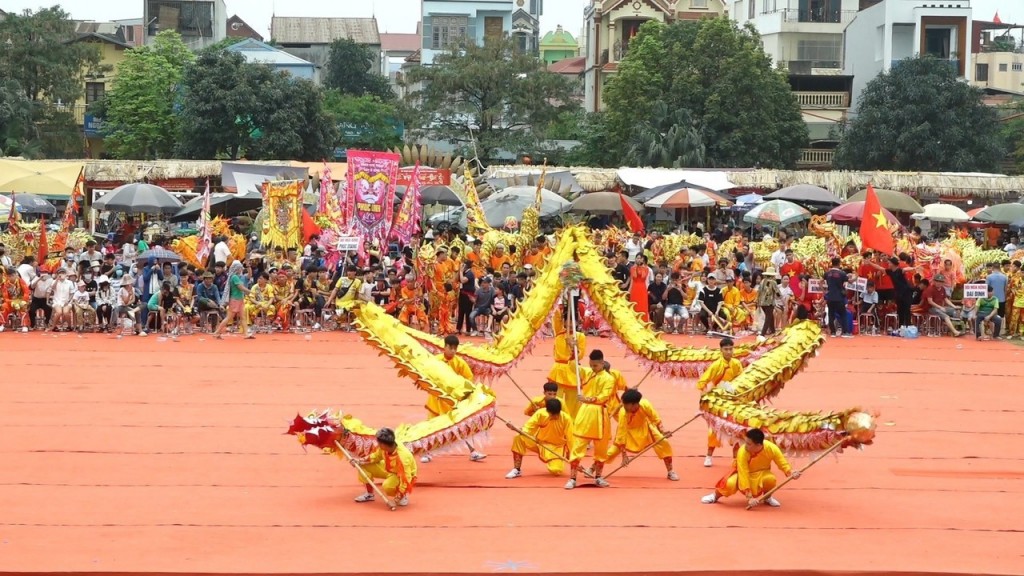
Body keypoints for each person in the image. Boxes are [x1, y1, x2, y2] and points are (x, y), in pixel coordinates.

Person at [421, 334, 487, 463]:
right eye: (450, 348)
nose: (452, 351)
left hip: (452, 402)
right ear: (444, 347)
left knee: (460, 426)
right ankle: (427, 453)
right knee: (430, 427)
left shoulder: (460, 363)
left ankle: (473, 452)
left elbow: (469, 379)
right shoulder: (436, 360)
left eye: (455, 348)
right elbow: (427, 374)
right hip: (436, 399)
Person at [701, 428, 799, 508]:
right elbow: (744, 473)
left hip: (762, 473)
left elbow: (782, 463)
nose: (745, 445)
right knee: (729, 484)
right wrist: (749, 497)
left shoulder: (771, 448)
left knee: (771, 479)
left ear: (759, 445)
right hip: (742, 475)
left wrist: (791, 473)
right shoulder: (742, 452)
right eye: (746, 442)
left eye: (749, 443)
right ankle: (715, 496)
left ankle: (767, 497)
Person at [598, 389, 678, 483]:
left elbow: (656, 418)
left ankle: (670, 471)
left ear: (634, 404)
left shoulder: (645, 404)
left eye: (626, 404)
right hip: (628, 432)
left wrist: (663, 431)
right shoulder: (623, 413)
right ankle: (594, 468)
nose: (623, 406)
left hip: (646, 428)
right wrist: (624, 455)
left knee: (664, 443)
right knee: (612, 451)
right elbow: (621, 433)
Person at [565, 349, 616, 490]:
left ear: (602, 363)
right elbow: (572, 367)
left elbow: (604, 397)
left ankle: (599, 477)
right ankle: (573, 478)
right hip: (585, 413)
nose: (593, 368)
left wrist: (586, 399)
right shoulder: (587, 372)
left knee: (601, 449)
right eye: (591, 365)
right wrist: (572, 351)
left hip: (600, 414)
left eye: (595, 366)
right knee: (578, 445)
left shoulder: (609, 379)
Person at [697, 337, 743, 467]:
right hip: (719, 402)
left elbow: (742, 379)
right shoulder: (716, 365)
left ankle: (737, 460)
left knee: (736, 430)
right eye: (726, 349)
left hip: (733, 401)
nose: (729, 352)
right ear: (721, 350)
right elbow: (702, 382)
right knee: (715, 430)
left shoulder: (737, 363)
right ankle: (708, 456)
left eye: (731, 349)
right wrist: (706, 398)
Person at [505, 397, 574, 479]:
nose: (555, 417)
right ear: (547, 411)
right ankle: (517, 469)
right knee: (519, 437)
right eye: (552, 414)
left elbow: (571, 439)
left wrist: (572, 457)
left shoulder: (566, 419)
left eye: (557, 414)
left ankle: (555, 461)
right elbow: (528, 429)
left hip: (556, 447)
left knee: (556, 470)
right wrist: (517, 429)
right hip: (539, 443)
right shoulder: (540, 414)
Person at [352, 428, 416, 507]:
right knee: (362, 465)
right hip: (389, 467)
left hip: (400, 474)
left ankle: (402, 496)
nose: (377, 444)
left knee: (387, 486)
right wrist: (359, 461)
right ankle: (369, 494)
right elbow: (376, 456)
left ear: (383, 444)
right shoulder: (385, 447)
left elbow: (406, 479)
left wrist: (396, 501)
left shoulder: (403, 457)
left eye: (378, 443)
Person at [548, 305, 586, 418]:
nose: (569, 323)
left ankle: (571, 426)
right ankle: (556, 420)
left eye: (572, 321)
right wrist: (561, 296)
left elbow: (581, 355)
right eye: (567, 320)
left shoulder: (580, 336)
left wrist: (574, 347)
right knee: (556, 400)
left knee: (573, 404)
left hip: (572, 370)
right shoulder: (559, 332)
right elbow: (555, 314)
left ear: (577, 322)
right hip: (558, 370)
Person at [213, 261, 253, 339]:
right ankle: (217, 332)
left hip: (239, 299)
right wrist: (250, 292)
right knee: (229, 317)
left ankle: (246, 334)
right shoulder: (234, 277)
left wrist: (248, 267)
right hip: (235, 299)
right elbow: (240, 287)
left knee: (243, 317)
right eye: (240, 268)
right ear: (237, 269)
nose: (241, 269)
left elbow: (249, 275)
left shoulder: (237, 276)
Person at [1, 266, 30, 332]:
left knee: (23, 306)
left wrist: (23, 301)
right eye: (9, 276)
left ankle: (24, 325)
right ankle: (2, 325)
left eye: (13, 275)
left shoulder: (21, 281)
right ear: (7, 276)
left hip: (21, 300)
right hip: (11, 302)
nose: (11, 277)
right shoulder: (5, 284)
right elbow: (5, 297)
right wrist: (11, 302)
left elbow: (26, 292)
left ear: (16, 274)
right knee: (3, 306)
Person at [756, 267, 780, 340]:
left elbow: (759, 291)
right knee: (768, 318)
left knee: (770, 317)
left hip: (762, 302)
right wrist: (781, 298)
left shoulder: (762, 281)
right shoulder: (773, 282)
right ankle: (762, 334)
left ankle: (773, 331)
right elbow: (777, 292)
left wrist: (758, 300)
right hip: (769, 302)